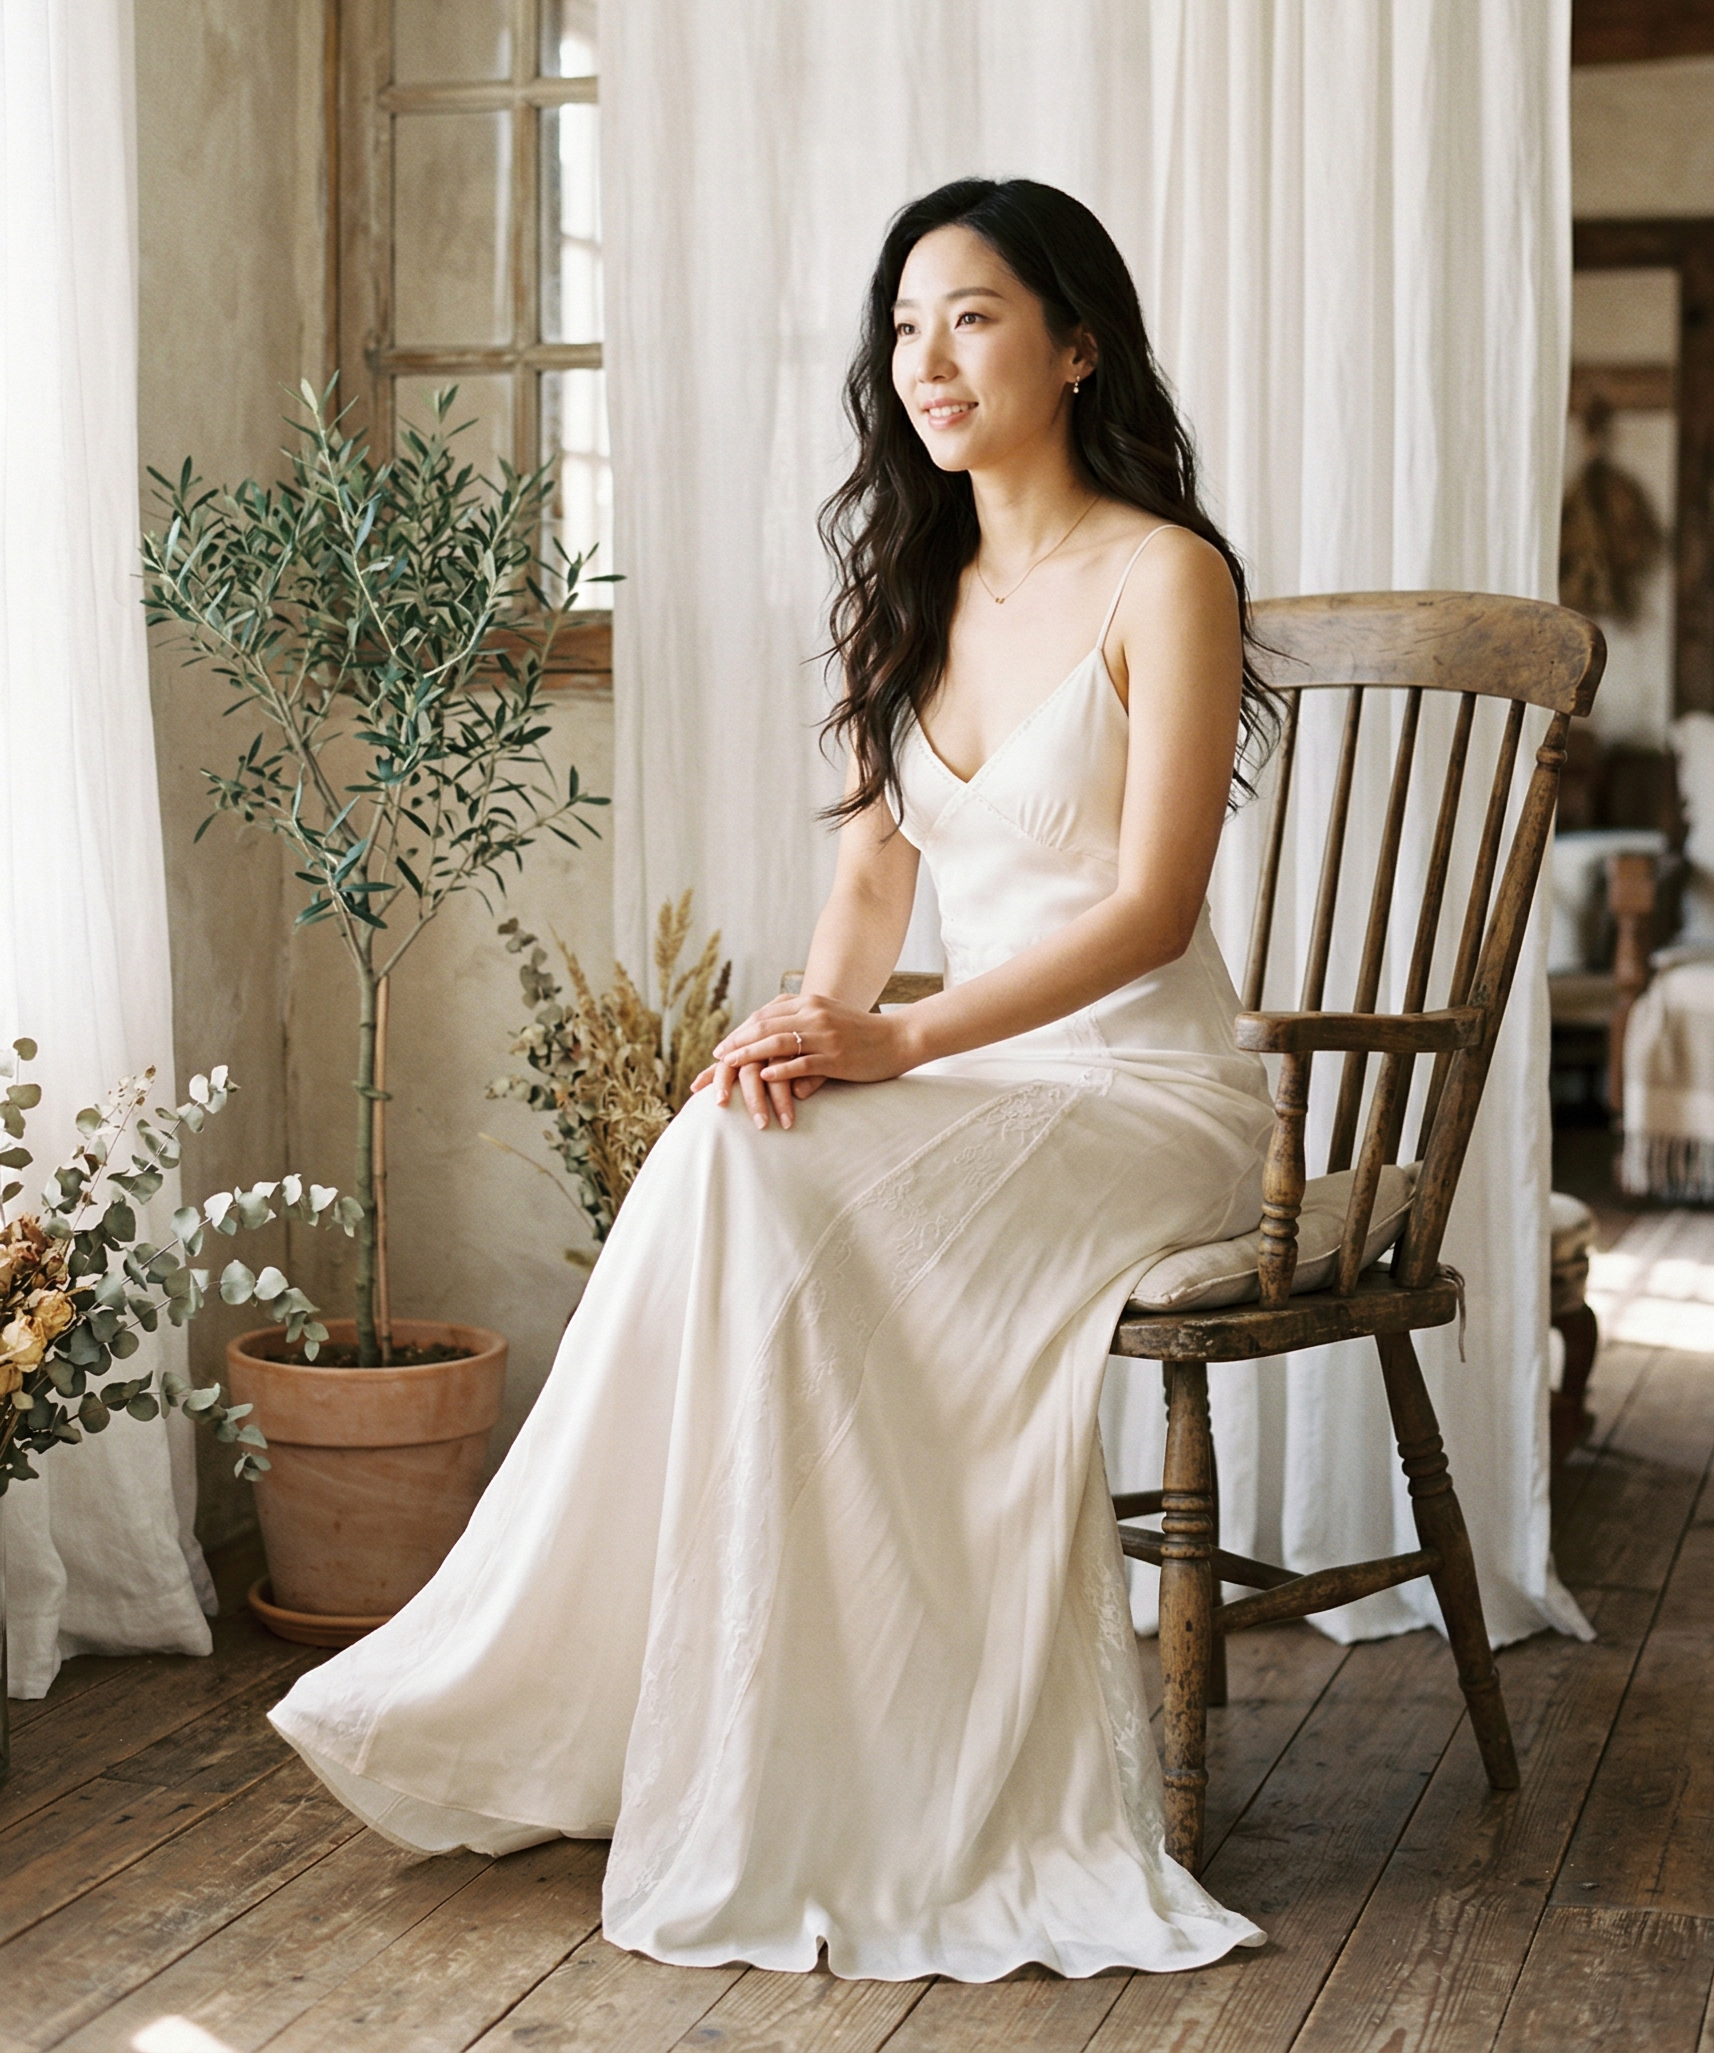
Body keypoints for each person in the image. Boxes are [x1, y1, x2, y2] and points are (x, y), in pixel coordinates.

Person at [270, 176, 1278, 1981]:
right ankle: (624, 1699)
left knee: (769, 1169)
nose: (928, 360)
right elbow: (870, 895)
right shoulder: (911, 587)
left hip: (1145, 1097)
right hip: (984, 1088)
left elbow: (1149, 914)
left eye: (971, 316)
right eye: (904, 327)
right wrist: (807, 1044)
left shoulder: (1164, 574)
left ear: (1074, 344)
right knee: (735, 1152)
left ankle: (789, 1731)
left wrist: (894, 1038)